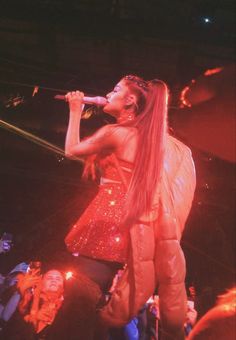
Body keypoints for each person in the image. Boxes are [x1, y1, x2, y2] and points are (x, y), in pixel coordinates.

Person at [64, 75, 196, 339]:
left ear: (130, 101)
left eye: (115, 90)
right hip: (136, 230)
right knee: (101, 300)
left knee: (81, 297)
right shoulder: (162, 143)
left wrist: (75, 110)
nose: (108, 94)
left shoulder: (118, 133)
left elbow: (71, 150)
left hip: (107, 220)